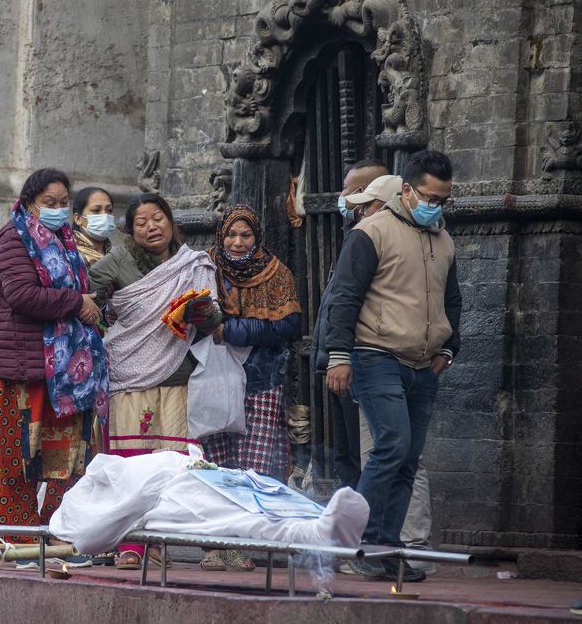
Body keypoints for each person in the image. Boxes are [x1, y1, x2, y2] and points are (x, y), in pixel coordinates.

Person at [325, 151, 461, 582]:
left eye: (442, 199)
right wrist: (339, 355)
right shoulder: (371, 232)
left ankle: (386, 546)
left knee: (406, 457)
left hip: (424, 365)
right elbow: (344, 298)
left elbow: (451, 301)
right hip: (375, 354)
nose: (434, 205)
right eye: (428, 196)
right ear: (406, 190)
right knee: (392, 445)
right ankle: (357, 542)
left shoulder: (444, 240)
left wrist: (449, 348)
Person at [88, 193, 219, 569]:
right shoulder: (118, 262)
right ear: (131, 231)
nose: (152, 227)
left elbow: (212, 324)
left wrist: (202, 312)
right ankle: (133, 545)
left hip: (179, 379)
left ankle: (169, 540)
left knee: (177, 465)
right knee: (131, 466)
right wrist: (104, 322)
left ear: (170, 221)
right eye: (141, 222)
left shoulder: (193, 264)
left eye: (158, 218)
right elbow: (87, 301)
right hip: (128, 377)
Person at [0, 168, 108, 546]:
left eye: (64, 204)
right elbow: (22, 295)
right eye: (49, 203)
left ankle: (56, 536)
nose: (58, 210)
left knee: (65, 463)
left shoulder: (65, 243)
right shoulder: (12, 240)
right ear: (29, 203)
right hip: (23, 373)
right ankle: (16, 543)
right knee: (16, 466)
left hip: (64, 376)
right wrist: (76, 303)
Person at [198, 204, 302, 571]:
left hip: (262, 378)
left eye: (246, 235)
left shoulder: (277, 274)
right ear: (220, 235)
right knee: (215, 463)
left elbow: (288, 327)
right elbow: (191, 315)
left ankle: (242, 544)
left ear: (257, 237)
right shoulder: (204, 268)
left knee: (252, 467)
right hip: (213, 379)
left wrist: (232, 330)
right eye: (231, 234)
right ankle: (213, 545)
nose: (238, 242)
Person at [323, 159, 389, 490]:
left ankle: (369, 528)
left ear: (363, 193)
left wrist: (340, 356)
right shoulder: (356, 233)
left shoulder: (370, 236)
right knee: (345, 455)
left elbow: (348, 301)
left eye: (346, 190)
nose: (341, 196)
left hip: (354, 360)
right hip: (336, 359)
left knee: (365, 453)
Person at [71, 186, 115, 268]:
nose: (105, 216)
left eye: (109, 210)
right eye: (96, 210)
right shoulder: (69, 256)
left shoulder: (117, 255)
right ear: (78, 218)